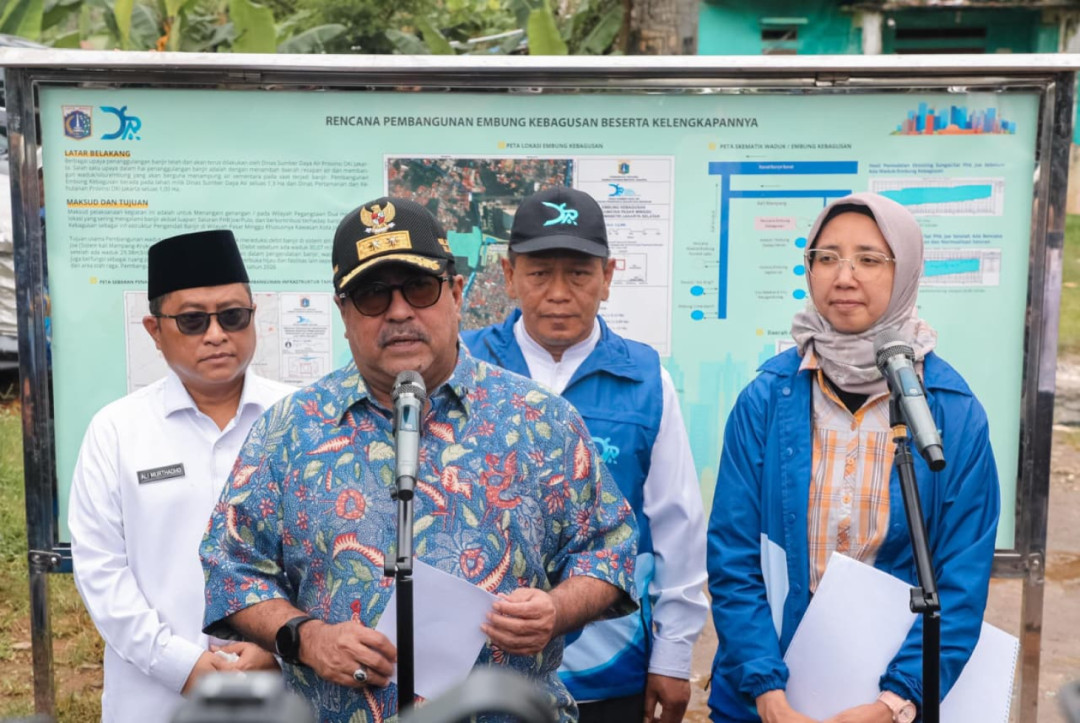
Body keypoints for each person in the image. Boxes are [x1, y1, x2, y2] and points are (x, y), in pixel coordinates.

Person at [199, 197, 640, 722]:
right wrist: (307, 638)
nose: (400, 311)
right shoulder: (287, 432)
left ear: (456, 293)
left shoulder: (542, 421)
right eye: (372, 295)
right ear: (343, 312)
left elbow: (607, 551)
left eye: (420, 288)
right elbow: (232, 570)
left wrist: (557, 609)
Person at [706, 192, 1000, 723]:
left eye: (869, 259)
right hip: (768, 697)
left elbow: (960, 578)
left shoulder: (950, 415)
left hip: (887, 699)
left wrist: (892, 702)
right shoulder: (768, 398)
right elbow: (732, 555)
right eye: (827, 257)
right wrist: (767, 691)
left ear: (905, 272)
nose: (845, 277)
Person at [463, 186, 708, 723]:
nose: (558, 292)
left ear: (608, 277)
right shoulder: (465, 368)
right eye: (538, 272)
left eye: (578, 273)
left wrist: (671, 657)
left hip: (608, 672)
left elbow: (676, 529)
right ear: (507, 276)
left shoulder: (646, 381)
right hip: (478, 673)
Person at [69, 230, 293, 723]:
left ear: (254, 315)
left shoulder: (300, 419)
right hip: (154, 698)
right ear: (154, 329)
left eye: (233, 316)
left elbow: (328, 553)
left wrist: (281, 647)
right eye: (193, 320)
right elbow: (100, 571)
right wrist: (184, 665)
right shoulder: (118, 431)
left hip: (283, 691)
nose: (216, 334)